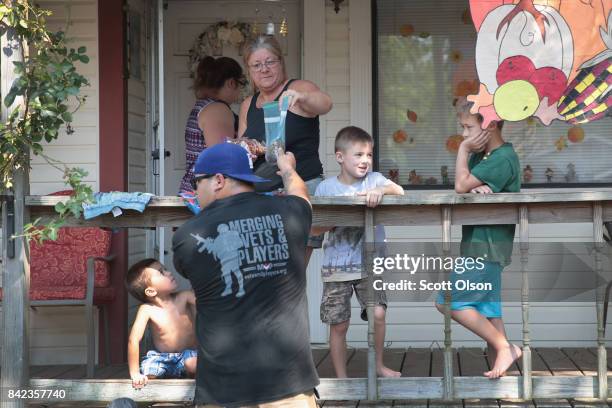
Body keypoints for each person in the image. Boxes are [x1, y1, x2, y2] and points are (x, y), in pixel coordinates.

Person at [172, 143, 319, 407]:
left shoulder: (187, 237)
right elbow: (301, 195)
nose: (195, 189)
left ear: (218, 180)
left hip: (224, 392)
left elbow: (190, 269)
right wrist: (287, 170)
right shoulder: (291, 213)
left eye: (197, 181)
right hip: (291, 389)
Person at [436, 97, 522, 379]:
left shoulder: (502, 158)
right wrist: (473, 189)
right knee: (489, 308)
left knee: (447, 301)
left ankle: (504, 347)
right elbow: (466, 186)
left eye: (467, 127)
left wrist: (462, 150)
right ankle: (504, 365)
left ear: (491, 125)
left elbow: (460, 184)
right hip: (479, 244)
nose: (464, 135)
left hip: (486, 246)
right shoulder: (482, 156)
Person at [314, 126, 404, 378]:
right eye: (358, 155)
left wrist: (381, 191)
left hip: (368, 264)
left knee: (378, 312)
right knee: (339, 324)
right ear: (340, 157)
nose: (365, 160)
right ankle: (342, 378)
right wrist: (334, 218)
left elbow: (399, 190)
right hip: (336, 267)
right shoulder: (326, 189)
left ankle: (378, 365)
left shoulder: (374, 179)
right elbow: (315, 228)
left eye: (369, 155)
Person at [239, 35, 332, 194]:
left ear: (281, 62)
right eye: (256, 65)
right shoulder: (248, 104)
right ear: (249, 70)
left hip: (301, 189)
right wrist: (247, 150)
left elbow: (326, 104)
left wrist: (302, 96)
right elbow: (242, 148)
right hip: (260, 195)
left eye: (270, 62)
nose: (264, 69)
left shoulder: (298, 88)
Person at [126, 258, 197, 389]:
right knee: (149, 372)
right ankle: (163, 387)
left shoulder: (185, 296)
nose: (168, 272)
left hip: (189, 354)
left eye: (165, 269)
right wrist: (135, 373)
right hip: (162, 358)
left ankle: (189, 381)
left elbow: (208, 304)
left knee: (193, 364)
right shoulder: (147, 309)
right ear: (151, 291)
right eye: (161, 272)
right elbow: (134, 340)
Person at [179, 56, 246, 193]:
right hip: (207, 194)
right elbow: (223, 158)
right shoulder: (217, 110)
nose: (240, 90)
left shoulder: (203, 106)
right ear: (231, 83)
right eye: (241, 83)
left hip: (194, 190)